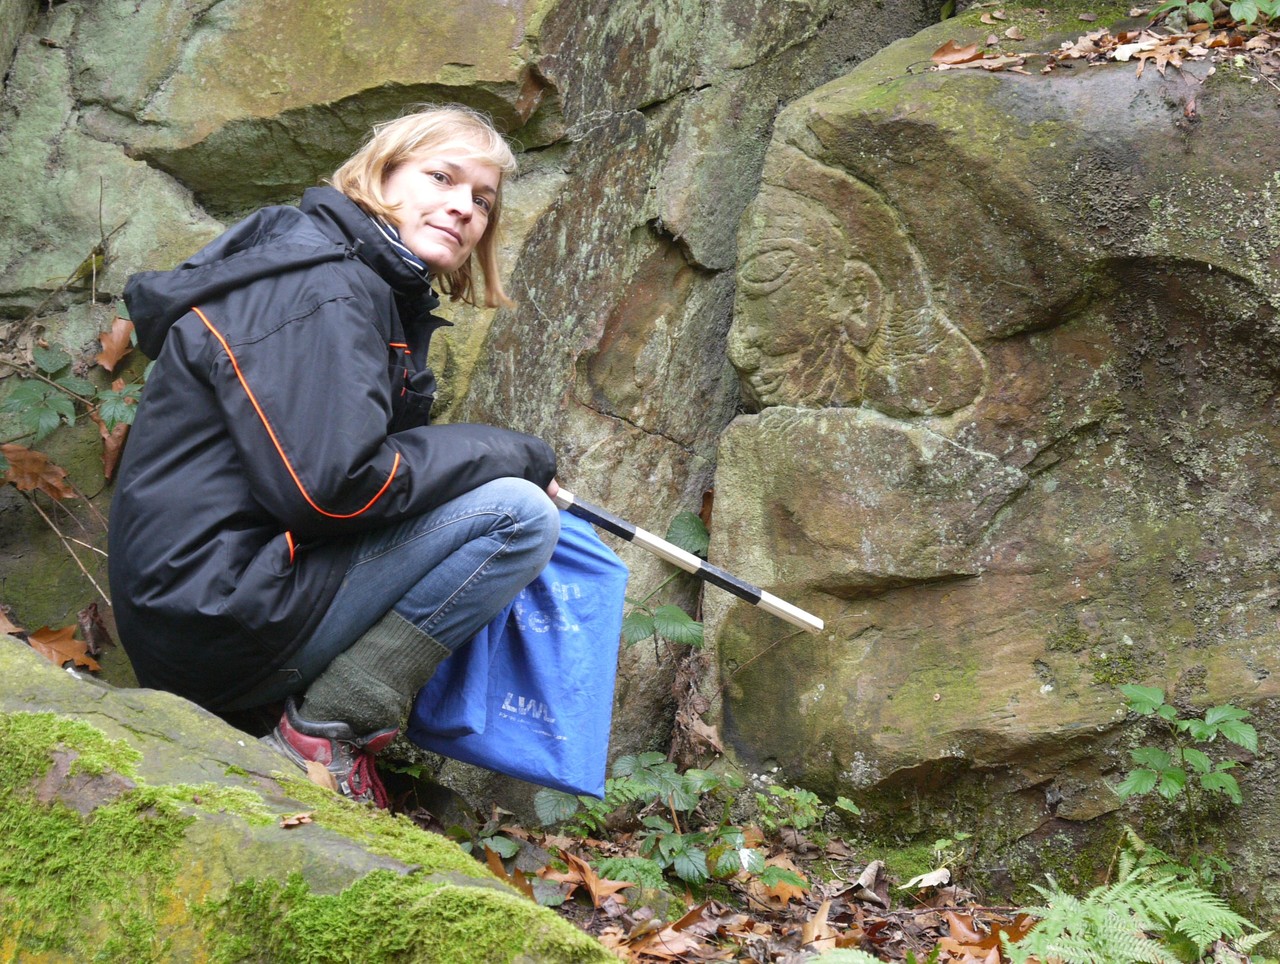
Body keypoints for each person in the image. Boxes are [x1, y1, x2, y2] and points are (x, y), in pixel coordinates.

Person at [108, 105, 561, 808]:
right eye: (441, 177)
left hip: (213, 608)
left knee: (493, 495)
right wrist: (510, 453)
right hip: (211, 615)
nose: (463, 207)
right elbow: (333, 490)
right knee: (516, 514)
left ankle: (278, 717)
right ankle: (323, 730)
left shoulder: (358, 280)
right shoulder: (318, 284)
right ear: (380, 175)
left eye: (482, 199)